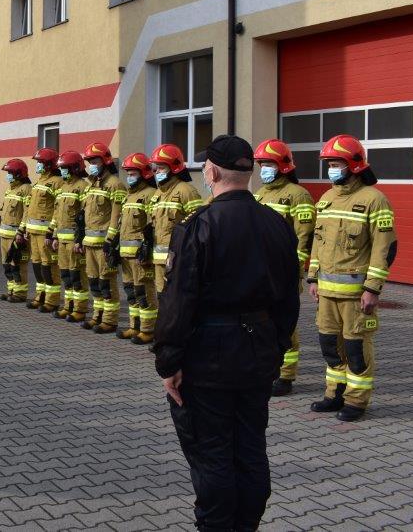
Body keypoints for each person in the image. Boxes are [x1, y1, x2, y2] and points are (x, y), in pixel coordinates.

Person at [153, 134, 300, 531]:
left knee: (212, 451)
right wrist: (276, 345)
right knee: (251, 447)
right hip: (257, 353)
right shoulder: (277, 224)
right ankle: (246, 524)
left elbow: (178, 301)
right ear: (249, 173)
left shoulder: (197, 226)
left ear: (212, 171)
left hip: (208, 356)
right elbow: (290, 298)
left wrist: (168, 360)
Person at [306, 135, 397, 422]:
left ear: (354, 165)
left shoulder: (374, 200)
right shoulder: (327, 198)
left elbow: (385, 249)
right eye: (329, 163)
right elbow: (318, 244)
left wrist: (373, 289)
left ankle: (357, 401)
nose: (331, 169)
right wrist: (312, 279)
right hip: (326, 293)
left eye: (336, 163)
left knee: (356, 349)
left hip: (357, 295)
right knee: (330, 346)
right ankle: (335, 393)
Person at [253, 139, 316, 396]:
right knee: (262, 322)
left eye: (268, 164)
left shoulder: (298, 195)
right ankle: (267, 368)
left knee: (284, 323)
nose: (264, 169)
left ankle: (286, 376)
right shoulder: (260, 194)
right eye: (261, 164)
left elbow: (305, 236)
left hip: (283, 272)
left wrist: (296, 268)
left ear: (282, 165)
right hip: (259, 271)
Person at [146, 143, 202, 344]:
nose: (156, 172)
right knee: (164, 300)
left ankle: (183, 339)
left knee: (179, 302)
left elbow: (197, 227)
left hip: (178, 261)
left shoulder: (186, 191)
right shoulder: (158, 193)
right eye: (155, 168)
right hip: (159, 261)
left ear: (174, 167)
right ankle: (166, 338)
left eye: (161, 168)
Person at [80, 143, 127, 332]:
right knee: (94, 281)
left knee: (106, 282)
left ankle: (109, 320)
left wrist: (111, 241)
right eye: (90, 161)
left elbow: (117, 217)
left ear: (105, 161)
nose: (91, 164)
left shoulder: (115, 185)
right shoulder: (91, 185)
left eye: (95, 160)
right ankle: (97, 316)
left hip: (104, 246)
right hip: (90, 244)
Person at [116, 153, 158, 343]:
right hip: (125, 255)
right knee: (131, 293)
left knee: (144, 293)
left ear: (143, 173)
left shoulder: (150, 195)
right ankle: (135, 327)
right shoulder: (129, 195)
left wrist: (147, 251)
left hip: (140, 257)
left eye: (133, 173)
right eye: (128, 173)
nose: (129, 176)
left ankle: (148, 330)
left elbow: (153, 226)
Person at [19, 148, 64, 310]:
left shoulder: (58, 182)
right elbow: (29, 208)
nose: (37, 165)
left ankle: (52, 301)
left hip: (46, 233)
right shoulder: (38, 183)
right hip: (33, 233)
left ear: (49, 165)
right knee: (37, 265)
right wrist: (24, 230)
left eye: (40, 162)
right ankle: (40, 296)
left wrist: (53, 233)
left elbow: (59, 210)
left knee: (49, 266)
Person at [48, 151, 90, 319]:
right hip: (62, 241)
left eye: (65, 168)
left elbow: (85, 217)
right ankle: (68, 306)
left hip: (74, 241)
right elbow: (57, 214)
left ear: (74, 168)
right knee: (65, 274)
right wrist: (55, 236)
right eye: (61, 168)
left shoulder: (83, 186)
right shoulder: (63, 187)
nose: (62, 171)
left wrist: (80, 239)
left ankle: (79, 310)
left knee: (77, 275)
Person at [0, 159, 32, 303]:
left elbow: (27, 213)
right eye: (8, 173)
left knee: (18, 265)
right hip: (5, 235)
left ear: (19, 174)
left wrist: (21, 232)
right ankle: (11, 290)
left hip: (16, 236)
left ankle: (20, 293)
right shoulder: (10, 189)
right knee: (7, 264)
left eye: (10, 172)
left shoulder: (26, 189)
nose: (8, 175)